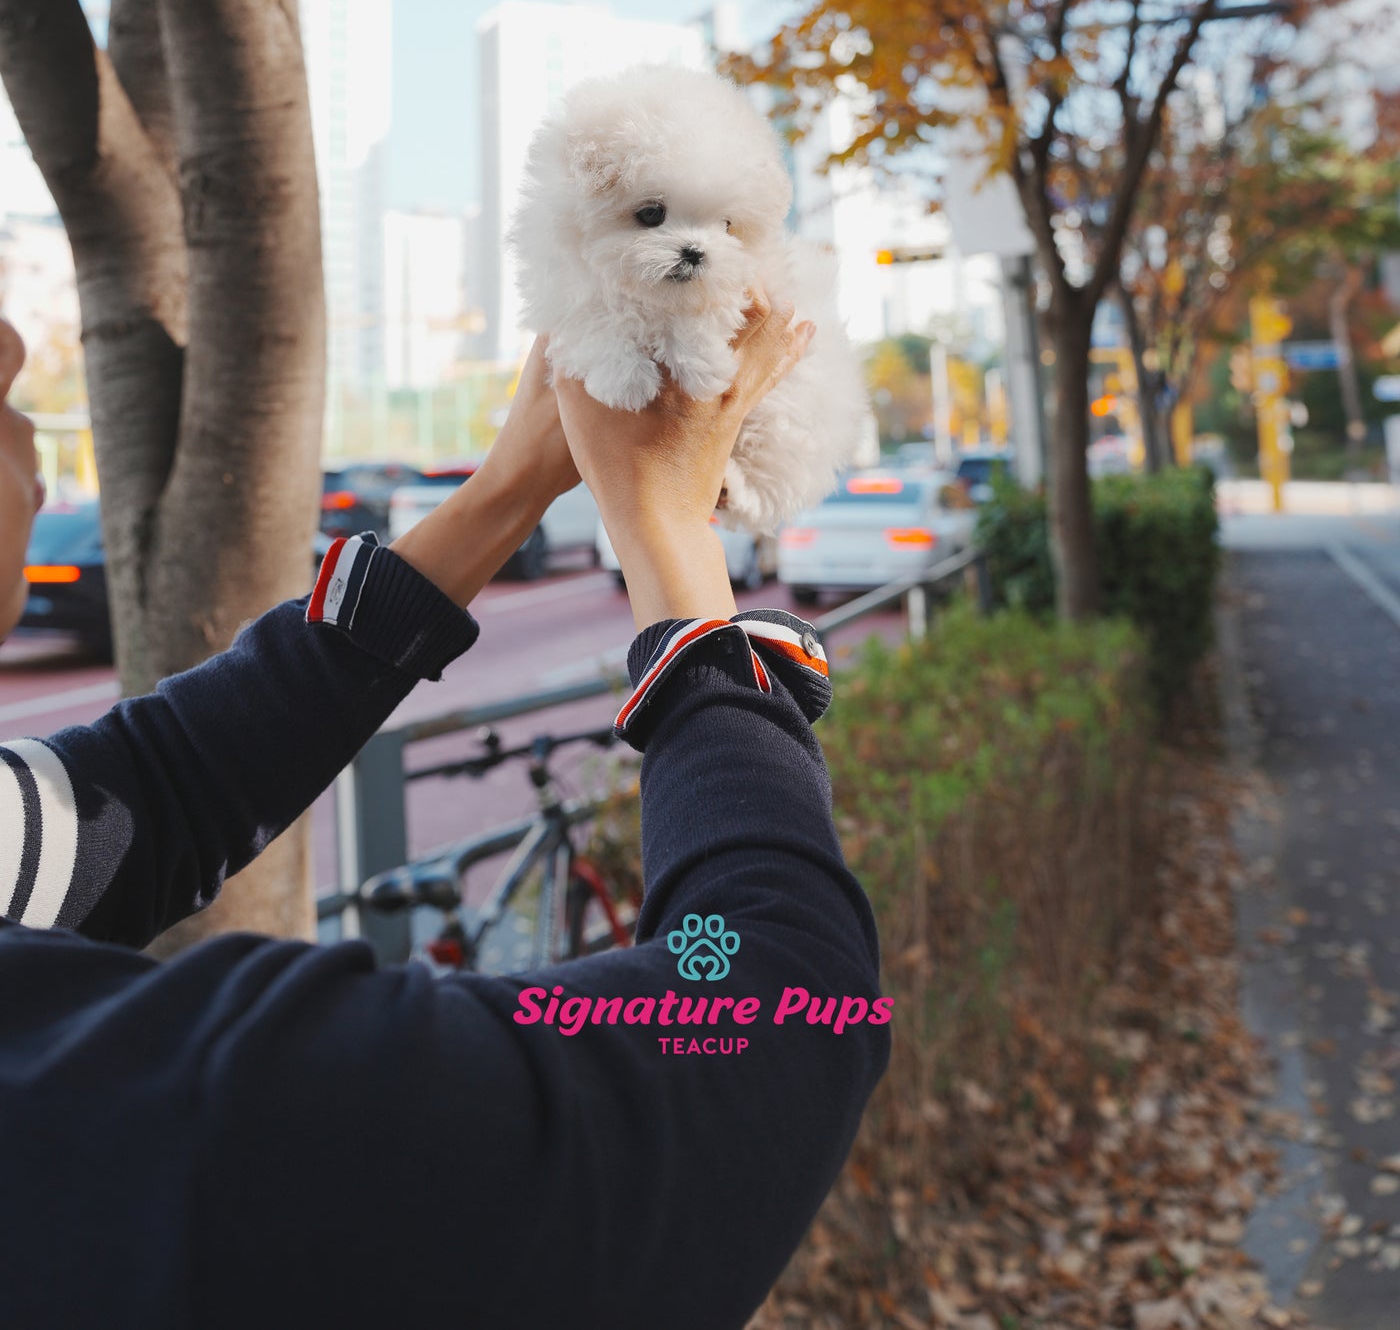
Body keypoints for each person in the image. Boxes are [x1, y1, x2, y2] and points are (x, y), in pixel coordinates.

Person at [0, 303, 889, 1329]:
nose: (15, 343)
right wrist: (670, 546)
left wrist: (508, 486)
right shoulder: (166, 1110)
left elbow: (146, 799)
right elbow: (774, 1016)